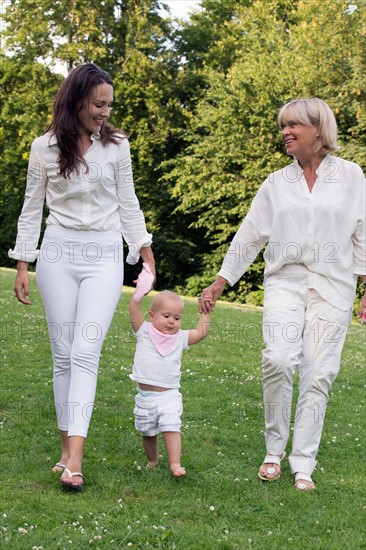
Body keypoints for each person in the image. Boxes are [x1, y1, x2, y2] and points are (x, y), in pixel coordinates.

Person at [199, 98, 366, 490]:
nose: (285, 132)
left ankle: (302, 462)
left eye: (294, 125)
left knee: (319, 373)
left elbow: (363, 233)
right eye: (282, 126)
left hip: (334, 286)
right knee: (277, 358)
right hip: (285, 282)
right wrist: (222, 279)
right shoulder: (276, 183)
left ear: (319, 130)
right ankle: (274, 448)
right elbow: (251, 234)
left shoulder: (352, 177)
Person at [9, 63, 155, 491]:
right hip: (57, 253)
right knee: (63, 355)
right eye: (98, 104)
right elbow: (32, 205)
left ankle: (75, 458)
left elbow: (128, 200)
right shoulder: (44, 148)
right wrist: (23, 261)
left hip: (104, 254)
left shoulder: (118, 146)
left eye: (109, 104)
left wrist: (143, 246)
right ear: (76, 101)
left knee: (86, 350)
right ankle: (65, 449)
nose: (105, 112)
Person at [129, 273, 211, 477]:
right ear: (151, 315)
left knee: (171, 425)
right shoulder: (144, 331)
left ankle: (175, 463)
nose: (172, 322)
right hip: (145, 397)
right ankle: (152, 460)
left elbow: (201, 332)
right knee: (147, 432)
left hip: (169, 395)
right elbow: (133, 310)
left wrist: (205, 313)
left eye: (177, 318)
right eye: (166, 316)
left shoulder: (180, 338)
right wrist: (138, 294)